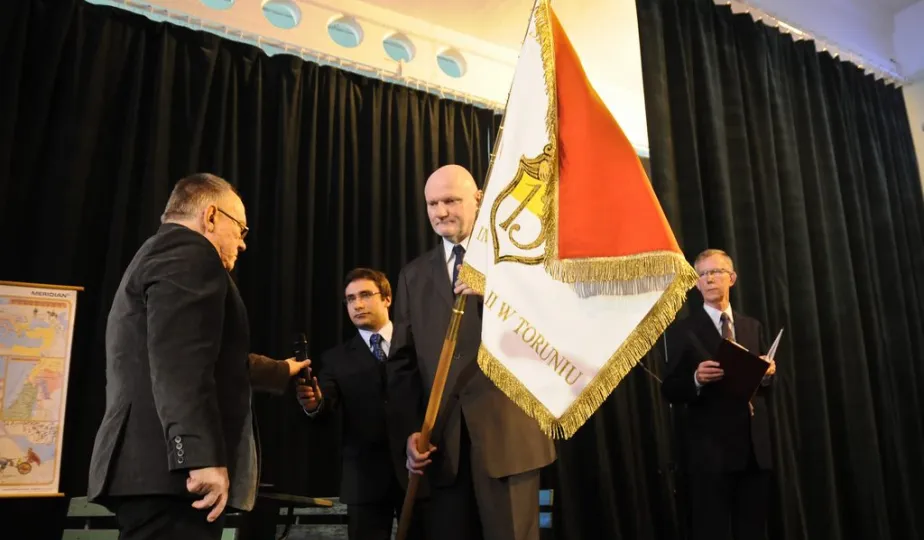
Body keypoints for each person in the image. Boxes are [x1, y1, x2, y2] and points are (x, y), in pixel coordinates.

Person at [87, 173, 310, 540]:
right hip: (173, 477)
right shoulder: (189, 253)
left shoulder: (160, 252)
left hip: (154, 473)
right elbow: (181, 365)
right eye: (241, 229)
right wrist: (199, 457)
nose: (242, 243)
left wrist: (281, 370)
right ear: (211, 216)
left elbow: (198, 353)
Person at [398, 164, 556, 540]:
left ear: (479, 200)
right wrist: (411, 431)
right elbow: (402, 365)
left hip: (509, 440)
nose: (441, 212)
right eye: (432, 204)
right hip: (442, 450)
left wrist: (495, 296)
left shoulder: (517, 261)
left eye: (451, 200)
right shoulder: (412, 276)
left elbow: (550, 331)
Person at [295, 268, 425, 540]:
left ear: (387, 298)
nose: (357, 304)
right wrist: (314, 403)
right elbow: (325, 405)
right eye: (350, 299)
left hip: (419, 473)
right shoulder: (336, 359)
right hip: (365, 481)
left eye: (365, 295)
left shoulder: (419, 344)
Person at [661, 248, 777, 540]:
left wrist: (767, 375)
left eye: (715, 272)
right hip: (710, 453)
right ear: (697, 284)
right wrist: (696, 379)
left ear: (732, 278)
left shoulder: (752, 326)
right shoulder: (682, 331)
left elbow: (769, 388)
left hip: (753, 450)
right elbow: (670, 389)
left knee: (753, 529)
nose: (709, 279)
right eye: (702, 274)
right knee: (712, 530)